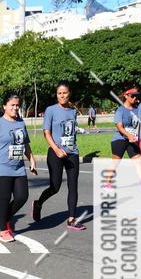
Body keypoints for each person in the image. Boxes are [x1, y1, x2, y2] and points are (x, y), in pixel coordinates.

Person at [0, 91, 37, 242]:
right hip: (1, 168)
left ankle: (3, 218)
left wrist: (31, 159)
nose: (15, 108)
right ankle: (3, 231)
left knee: (22, 197)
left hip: (18, 167)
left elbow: (25, 143)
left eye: (17, 105)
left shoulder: (20, 122)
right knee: (4, 199)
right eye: (12, 105)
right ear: (4, 106)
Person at [32, 82, 85, 230]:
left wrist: (71, 147)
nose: (62, 96)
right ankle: (38, 203)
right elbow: (46, 133)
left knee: (73, 185)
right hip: (55, 153)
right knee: (55, 187)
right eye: (59, 93)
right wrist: (56, 149)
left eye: (65, 93)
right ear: (57, 95)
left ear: (69, 93)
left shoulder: (73, 111)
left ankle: (71, 219)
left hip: (72, 152)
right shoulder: (51, 110)